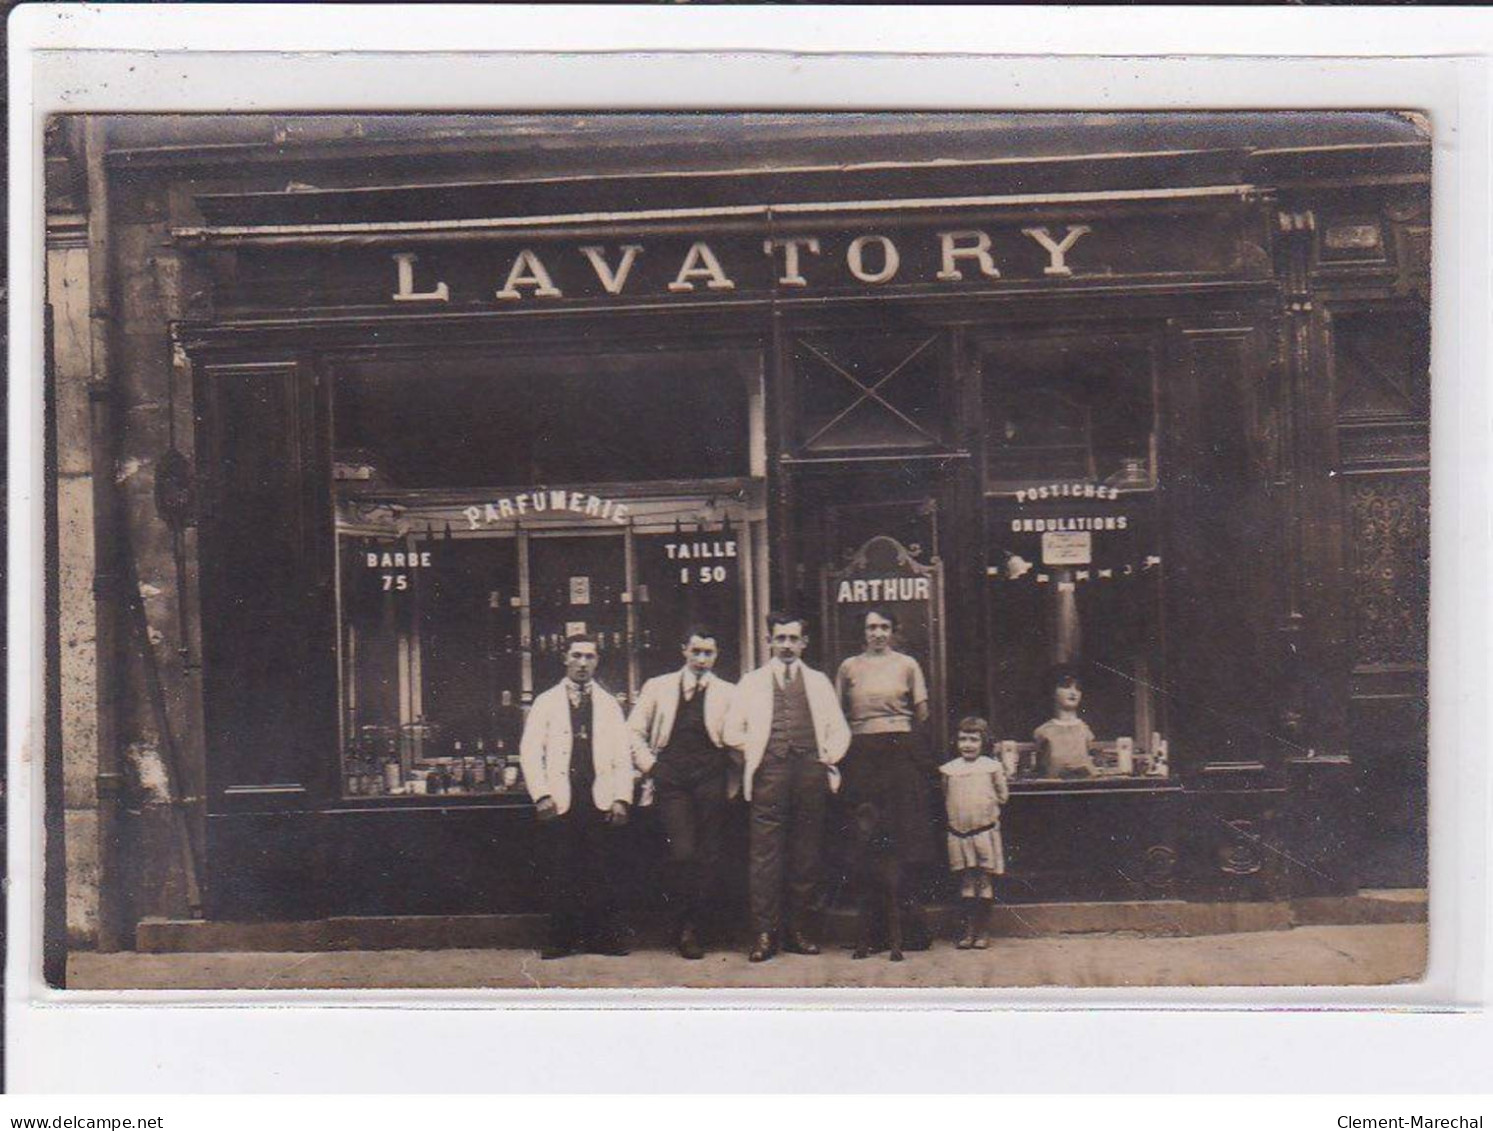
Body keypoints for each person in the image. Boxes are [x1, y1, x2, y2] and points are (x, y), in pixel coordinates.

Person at [724, 610, 851, 963]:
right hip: (770, 774)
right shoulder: (751, 683)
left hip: (810, 773)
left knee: (805, 854)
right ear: (768, 641)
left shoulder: (819, 682)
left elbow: (840, 730)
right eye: (780, 638)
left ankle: (799, 931)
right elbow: (730, 731)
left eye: (793, 638)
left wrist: (825, 758)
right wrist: (759, 753)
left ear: (804, 643)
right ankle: (765, 933)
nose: (786, 645)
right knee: (765, 857)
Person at [519, 632, 640, 959]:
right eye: (577, 656)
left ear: (597, 660)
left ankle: (603, 938)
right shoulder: (545, 702)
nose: (583, 663)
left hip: (598, 797)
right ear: (565, 658)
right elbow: (530, 752)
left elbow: (622, 756)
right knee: (563, 869)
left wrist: (621, 799)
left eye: (589, 657)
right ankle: (561, 939)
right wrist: (541, 795)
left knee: (601, 869)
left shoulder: (608, 703)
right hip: (561, 799)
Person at [628, 625, 737, 960]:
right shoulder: (658, 687)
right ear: (684, 651)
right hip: (671, 779)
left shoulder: (728, 692)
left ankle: (697, 927)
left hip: (711, 778)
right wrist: (651, 767)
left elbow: (740, 735)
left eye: (709, 653)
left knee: (710, 855)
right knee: (683, 853)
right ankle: (681, 924)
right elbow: (633, 732)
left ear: (716, 655)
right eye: (696, 652)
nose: (702, 659)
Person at [834, 607, 936, 962]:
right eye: (871, 627)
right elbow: (837, 713)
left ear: (893, 631)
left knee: (902, 839)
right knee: (866, 843)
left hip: (899, 754)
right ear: (863, 632)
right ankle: (873, 933)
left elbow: (921, 713)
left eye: (884, 627)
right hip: (862, 755)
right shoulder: (849, 667)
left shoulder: (907, 665)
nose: (877, 633)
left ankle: (910, 929)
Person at [940, 716, 1010, 950]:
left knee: (984, 881)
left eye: (973, 739)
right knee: (967, 883)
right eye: (962, 739)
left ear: (983, 742)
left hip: (984, 834)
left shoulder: (991, 767)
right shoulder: (950, 770)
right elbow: (946, 796)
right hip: (959, 835)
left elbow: (1002, 796)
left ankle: (983, 931)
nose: (967, 744)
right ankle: (968, 931)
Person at [1034, 665, 1096, 779]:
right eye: (1066, 687)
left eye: (1078, 688)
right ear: (1053, 692)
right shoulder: (1043, 731)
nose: (1073, 692)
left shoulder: (1085, 729)